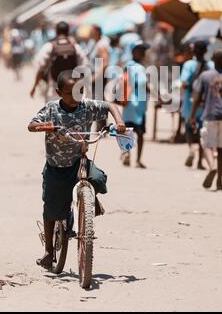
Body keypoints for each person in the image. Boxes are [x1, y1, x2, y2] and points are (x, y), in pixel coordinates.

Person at [28, 69, 126, 270]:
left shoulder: (86, 107)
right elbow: (31, 125)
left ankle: (89, 202)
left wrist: (120, 122)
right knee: (51, 207)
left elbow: (110, 106)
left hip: (78, 161)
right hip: (56, 166)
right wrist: (49, 127)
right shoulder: (52, 109)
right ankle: (48, 251)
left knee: (98, 177)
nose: (75, 97)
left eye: (78, 92)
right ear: (58, 92)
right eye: (70, 93)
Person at [190, 50, 222, 190]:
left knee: (206, 144)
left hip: (210, 115)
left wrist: (193, 115)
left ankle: (212, 166)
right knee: (221, 149)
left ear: (212, 59)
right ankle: (219, 181)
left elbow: (197, 97)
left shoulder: (205, 76)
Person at [30, 21, 88, 102]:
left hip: (54, 88)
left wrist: (34, 87)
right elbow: (84, 67)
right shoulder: (75, 47)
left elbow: (40, 69)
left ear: (56, 31)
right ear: (68, 32)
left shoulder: (50, 46)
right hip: (73, 89)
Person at [180, 40, 214, 169]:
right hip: (205, 102)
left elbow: (184, 82)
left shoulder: (189, 64)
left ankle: (191, 148)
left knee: (189, 127)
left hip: (191, 101)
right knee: (202, 132)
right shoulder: (210, 65)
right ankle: (200, 161)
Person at [122, 41, 149, 169]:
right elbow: (143, 83)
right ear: (133, 52)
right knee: (140, 133)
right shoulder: (139, 68)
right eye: (140, 50)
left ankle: (126, 153)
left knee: (127, 131)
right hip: (138, 105)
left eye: (144, 50)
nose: (143, 53)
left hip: (128, 104)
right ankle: (138, 160)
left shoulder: (127, 65)